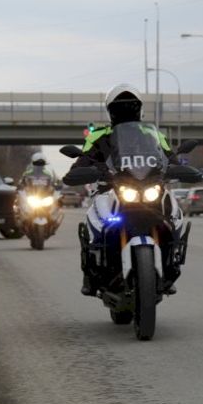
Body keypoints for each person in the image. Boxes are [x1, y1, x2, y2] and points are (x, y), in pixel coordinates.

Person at [63, 83, 178, 296]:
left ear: (139, 108)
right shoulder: (98, 136)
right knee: (96, 221)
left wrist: (178, 168)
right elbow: (82, 162)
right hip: (111, 189)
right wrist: (89, 169)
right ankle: (92, 271)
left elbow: (170, 158)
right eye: (119, 107)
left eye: (130, 106)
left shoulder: (152, 134)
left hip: (147, 187)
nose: (125, 111)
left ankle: (171, 265)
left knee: (171, 215)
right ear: (111, 111)